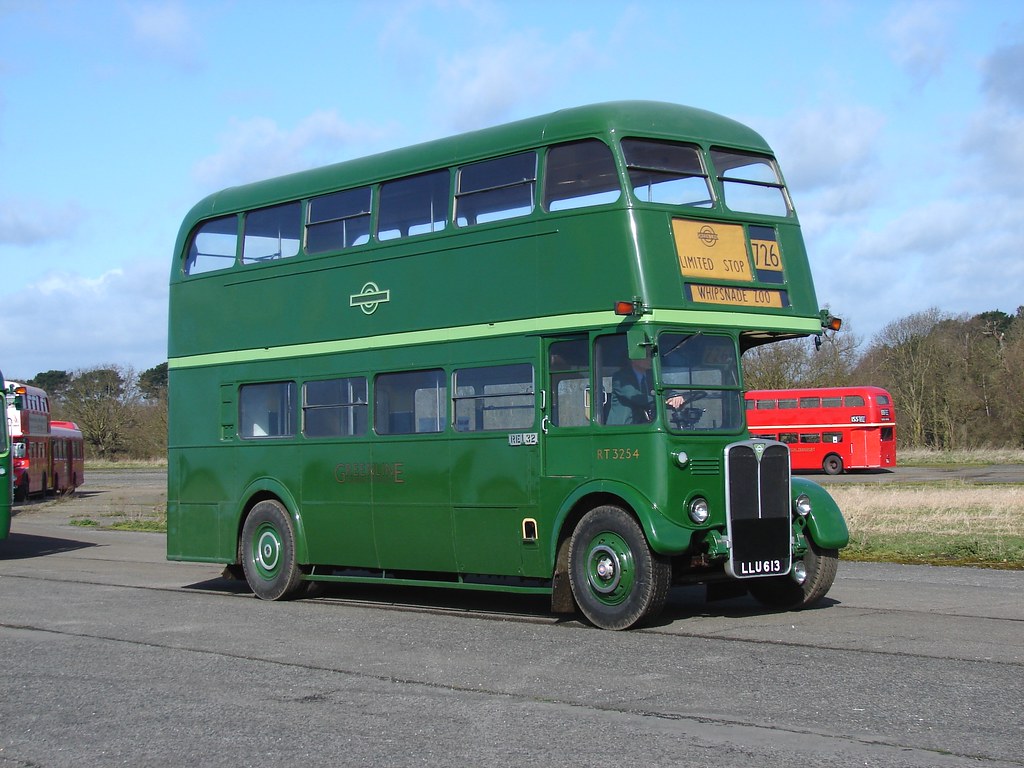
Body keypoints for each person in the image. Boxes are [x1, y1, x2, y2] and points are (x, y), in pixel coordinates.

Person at [606, 355, 685, 425]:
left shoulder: (651, 376)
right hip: (621, 429)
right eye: (647, 355)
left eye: (651, 355)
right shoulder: (620, 378)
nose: (651, 359)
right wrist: (664, 401)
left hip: (643, 427)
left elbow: (664, 389)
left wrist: (675, 396)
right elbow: (637, 398)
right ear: (634, 359)